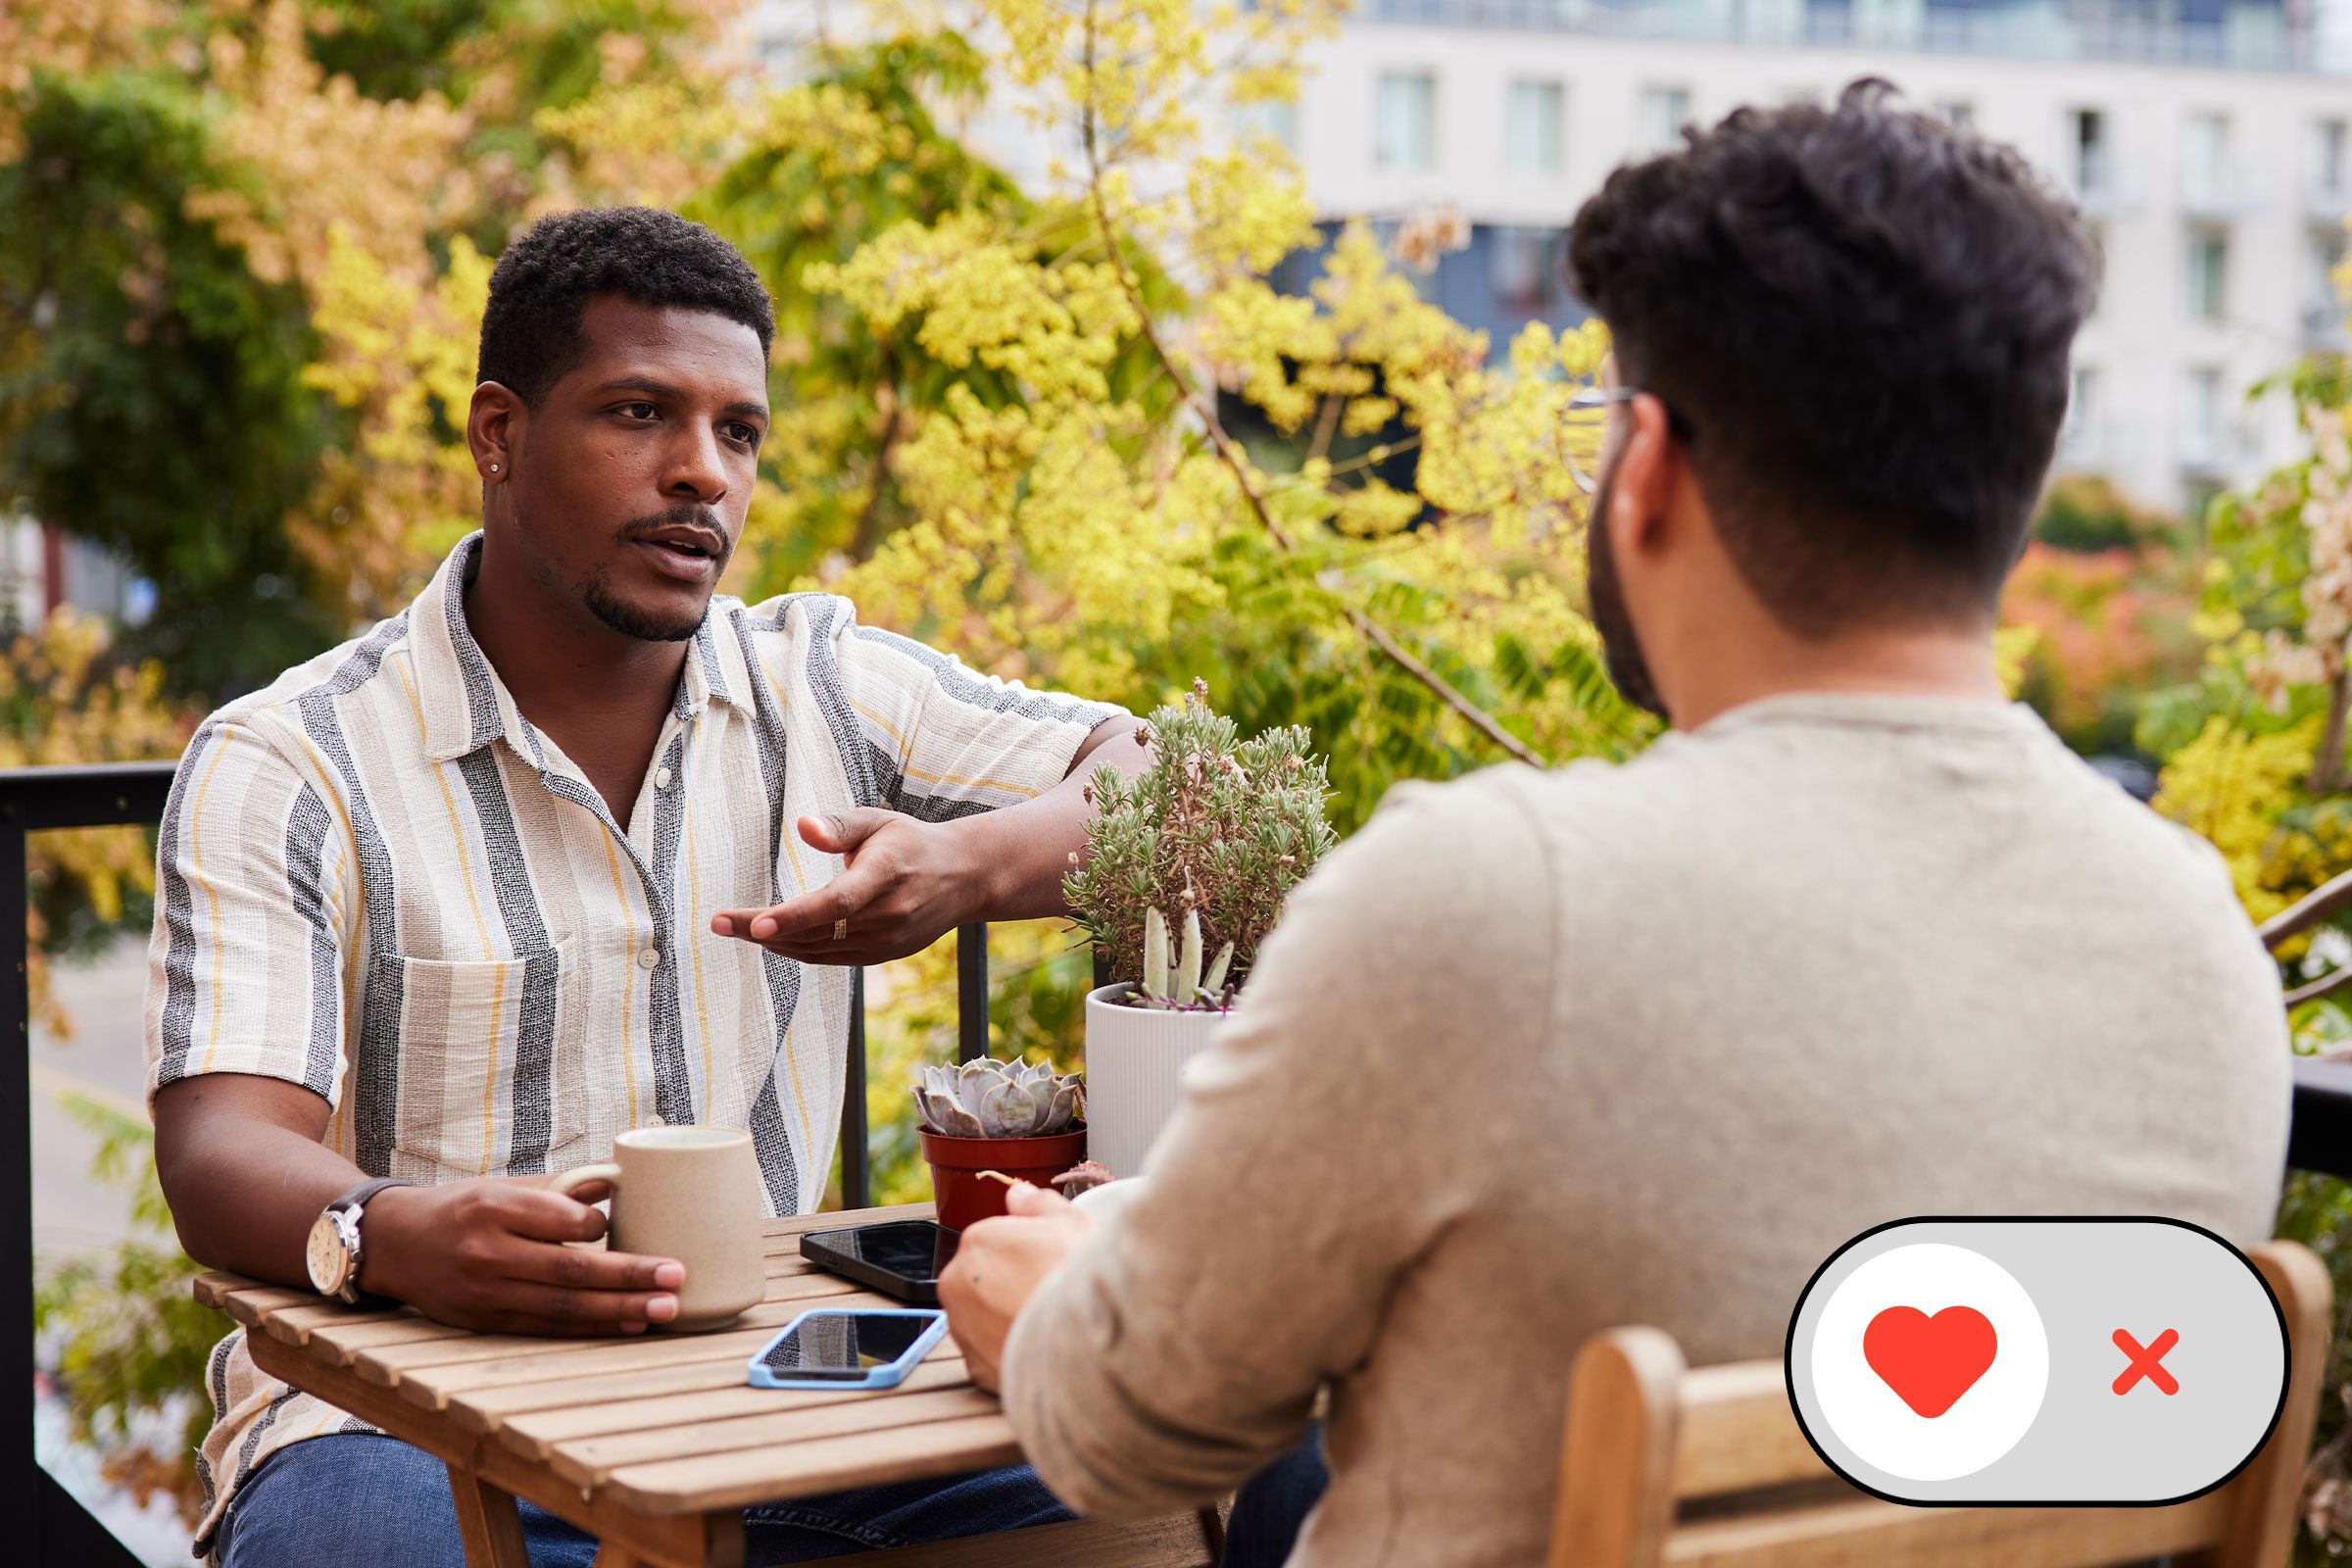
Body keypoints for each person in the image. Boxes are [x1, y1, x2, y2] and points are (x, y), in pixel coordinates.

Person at [939, 81, 2290, 1567]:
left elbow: (1136, 1424)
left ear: (1645, 464)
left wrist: (1052, 1285)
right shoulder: (2198, 941)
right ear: (2016, 495)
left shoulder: (1494, 901)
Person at [145, 206, 1143, 1567]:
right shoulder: (293, 758)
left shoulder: (827, 684)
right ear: (499, 433)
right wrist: (396, 1234)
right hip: (413, 1422)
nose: (702, 476)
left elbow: (1164, 780)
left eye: (739, 434)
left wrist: (974, 866)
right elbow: (219, 1151)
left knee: (1188, 1476)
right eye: (639, 413)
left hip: (794, 1391)